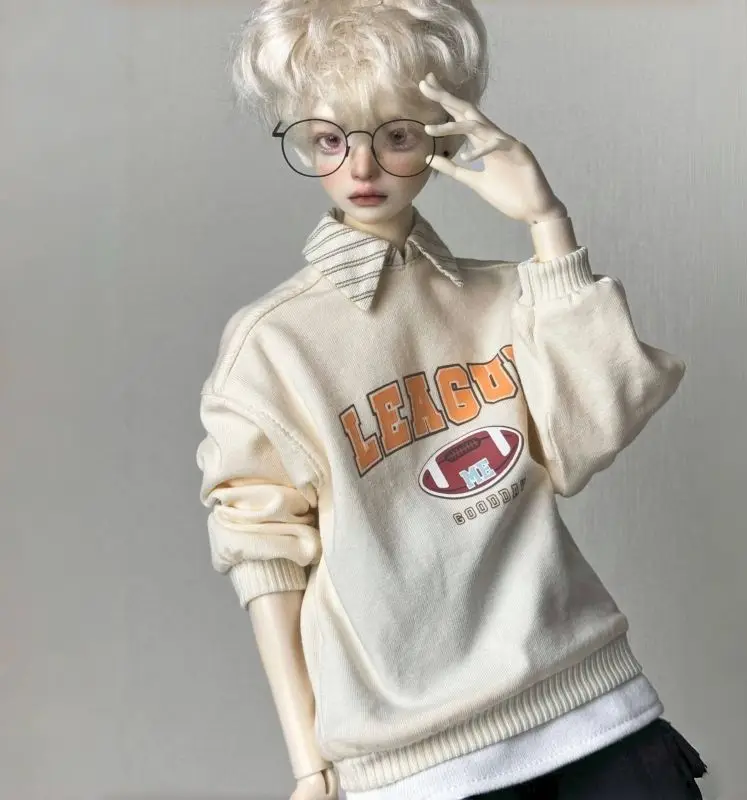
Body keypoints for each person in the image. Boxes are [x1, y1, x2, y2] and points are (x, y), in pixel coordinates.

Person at [196, 1, 707, 798]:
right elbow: (264, 556)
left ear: (442, 136)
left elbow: (588, 436)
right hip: (419, 762)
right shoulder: (274, 345)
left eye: (397, 135)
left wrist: (547, 223)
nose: (362, 168)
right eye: (329, 140)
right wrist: (311, 765)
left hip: (594, 714)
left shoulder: (510, 296)